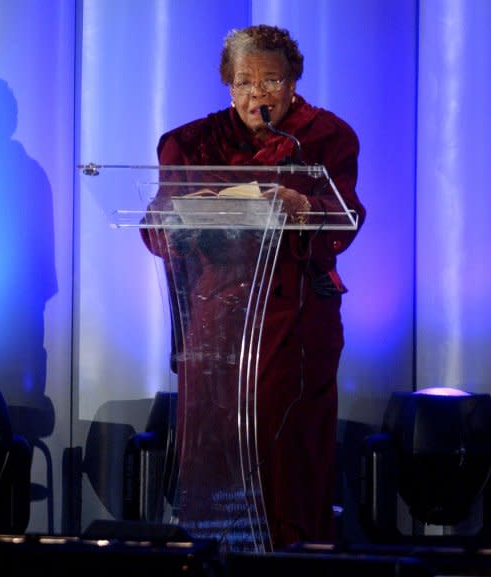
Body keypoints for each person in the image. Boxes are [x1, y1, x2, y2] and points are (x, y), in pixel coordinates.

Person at [141, 24, 366, 548]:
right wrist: (177, 223)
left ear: (292, 84)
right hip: (218, 321)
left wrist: (306, 209)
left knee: (287, 452)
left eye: (270, 82)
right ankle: (217, 550)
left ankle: (291, 553)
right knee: (218, 449)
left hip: (296, 316)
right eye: (244, 83)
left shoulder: (326, 137)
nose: (257, 95)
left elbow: (346, 218)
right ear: (228, 85)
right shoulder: (191, 142)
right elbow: (154, 225)